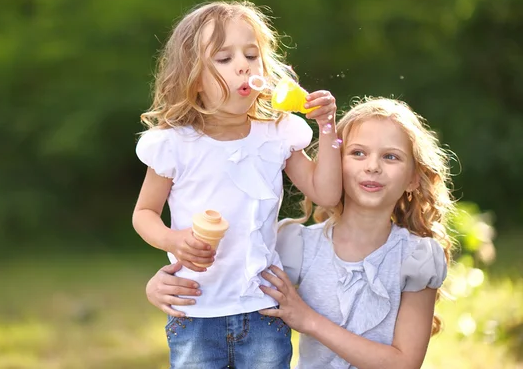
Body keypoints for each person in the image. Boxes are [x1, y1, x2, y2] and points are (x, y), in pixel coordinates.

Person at [146, 97, 455, 369]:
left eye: (391, 157)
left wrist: (308, 320)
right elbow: (226, 273)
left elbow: (403, 363)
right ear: (334, 163)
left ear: (414, 178)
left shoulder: (416, 258)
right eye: (358, 153)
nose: (373, 166)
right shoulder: (297, 245)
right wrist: (159, 285)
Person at [132, 0, 342, 368]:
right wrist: (172, 240)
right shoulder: (175, 144)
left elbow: (325, 193)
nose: (243, 65)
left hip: (263, 310)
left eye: (251, 54)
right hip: (195, 309)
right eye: (224, 59)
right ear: (193, 78)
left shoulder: (277, 133)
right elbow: (144, 213)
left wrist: (327, 127)